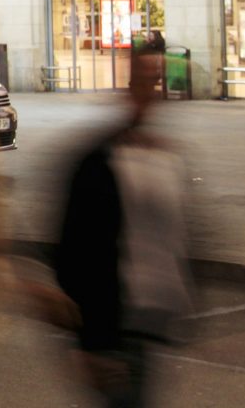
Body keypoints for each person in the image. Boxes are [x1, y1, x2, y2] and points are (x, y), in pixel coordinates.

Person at [54, 34, 192, 407]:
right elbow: (74, 250)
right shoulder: (98, 160)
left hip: (149, 322)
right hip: (114, 327)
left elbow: (180, 235)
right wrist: (89, 343)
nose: (154, 90)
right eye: (146, 80)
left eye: (158, 81)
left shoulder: (165, 156)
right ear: (130, 84)